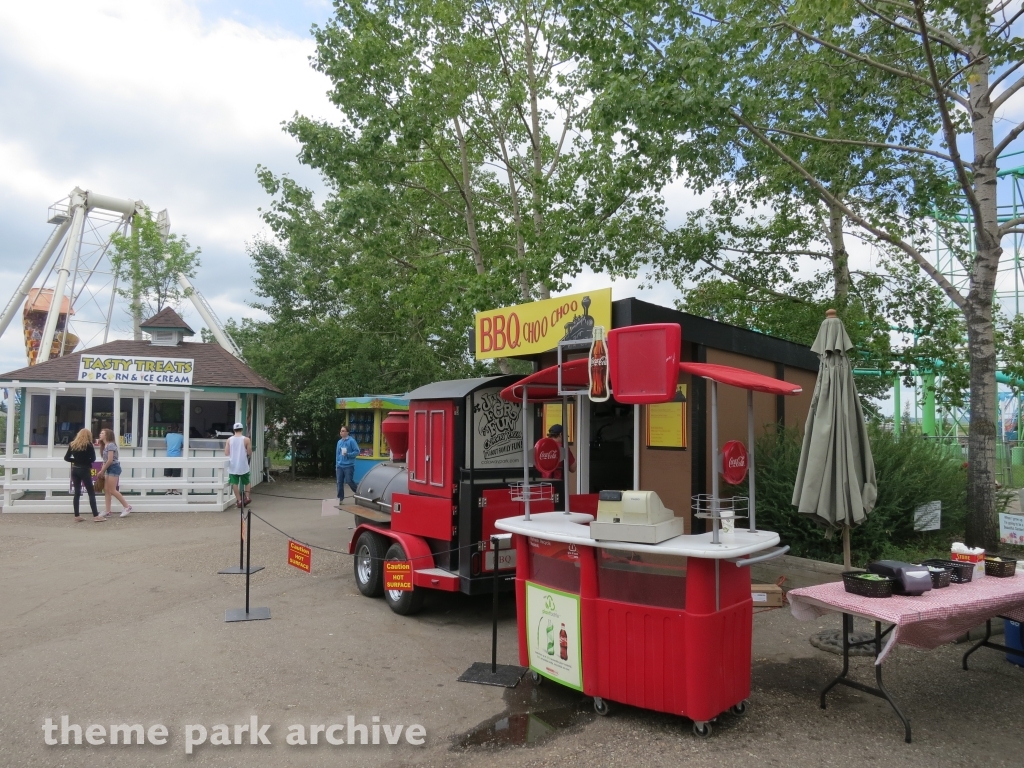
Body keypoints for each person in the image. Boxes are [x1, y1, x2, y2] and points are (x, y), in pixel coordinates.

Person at [64, 428, 101, 522]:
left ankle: (77, 515)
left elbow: (66, 458)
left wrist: (76, 460)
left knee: (77, 493)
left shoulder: (73, 444)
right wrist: (85, 461)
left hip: (75, 469)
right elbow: (93, 458)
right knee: (91, 492)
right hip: (84, 469)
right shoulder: (89, 445)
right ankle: (96, 515)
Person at [98, 428, 133, 518]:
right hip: (108, 468)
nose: (100, 434)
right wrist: (102, 470)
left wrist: (102, 470)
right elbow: (105, 461)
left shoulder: (111, 445)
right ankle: (108, 510)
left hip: (113, 467)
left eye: (102, 433)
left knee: (112, 490)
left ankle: (127, 506)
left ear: (107, 435)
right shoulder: (104, 445)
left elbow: (110, 460)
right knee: (106, 490)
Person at [225, 422, 252, 508]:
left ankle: (239, 500)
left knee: (234, 483)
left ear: (234, 430)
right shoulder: (246, 439)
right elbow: (249, 452)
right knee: (247, 482)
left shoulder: (229, 440)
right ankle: (247, 497)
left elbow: (226, 453)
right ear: (242, 429)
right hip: (243, 465)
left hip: (233, 465)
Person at [336, 425, 360, 503]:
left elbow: (357, 451)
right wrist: (337, 464)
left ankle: (359, 493)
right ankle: (340, 499)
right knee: (339, 482)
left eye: (343, 431)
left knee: (349, 481)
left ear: (347, 432)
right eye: (341, 431)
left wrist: (348, 454)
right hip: (340, 465)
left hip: (349, 465)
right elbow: (337, 454)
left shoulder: (351, 441)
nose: (341, 432)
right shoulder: (339, 442)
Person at [164, 423, 183, 494]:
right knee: (176, 475)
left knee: (168, 474)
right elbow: (185, 444)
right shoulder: (181, 436)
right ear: (178, 429)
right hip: (177, 456)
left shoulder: (167, 435)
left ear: (170, 428)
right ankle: (174, 490)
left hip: (168, 456)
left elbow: (165, 443)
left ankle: (168, 490)